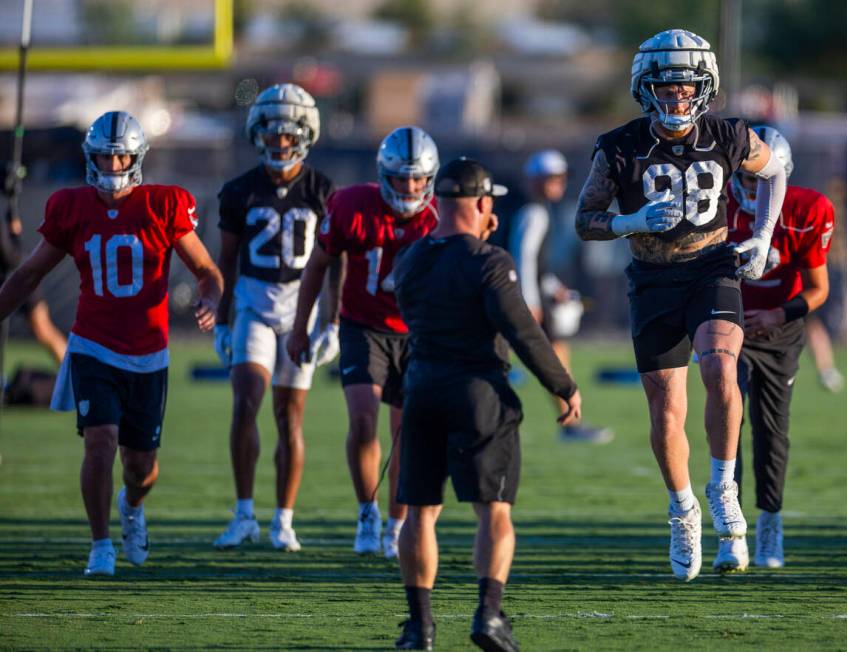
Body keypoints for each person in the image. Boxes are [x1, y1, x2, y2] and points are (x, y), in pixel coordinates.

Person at [574, 28, 787, 580]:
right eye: (665, 90)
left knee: (720, 366)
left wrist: (762, 235)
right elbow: (584, 221)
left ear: (706, 87)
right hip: (652, 279)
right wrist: (630, 222)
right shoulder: (618, 146)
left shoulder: (729, 134)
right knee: (667, 408)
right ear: (644, 90)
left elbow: (776, 168)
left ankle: (722, 485)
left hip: (712, 270)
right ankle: (682, 511)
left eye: (686, 89)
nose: (676, 99)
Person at [0, 111, 223, 576]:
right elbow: (29, 274)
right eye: (103, 153)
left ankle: (132, 506)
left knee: (141, 467)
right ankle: (100, 544)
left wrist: (212, 297)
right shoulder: (72, 206)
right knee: (99, 442)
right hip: (93, 345)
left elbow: (207, 271)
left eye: (119, 154)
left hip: (148, 353)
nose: (111, 163)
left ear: (136, 157)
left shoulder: (163, 205)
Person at [391, 158, 582, 651]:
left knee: (418, 513)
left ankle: (420, 627)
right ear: (482, 204)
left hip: (422, 389)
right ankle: (489, 616)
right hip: (479, 392)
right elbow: (522, 331)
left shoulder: (410, 259)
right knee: (494, 512)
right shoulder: (491, 262)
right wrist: (562, 385)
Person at [287, 126, 440, 558]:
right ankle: (366, 512)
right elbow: (319, 263)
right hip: (363, 327)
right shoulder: (353, 205)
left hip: (417, 333)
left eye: (417, 179)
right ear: (383, 175)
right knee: (362, 420)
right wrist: (304, 326)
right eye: (400, 178)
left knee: (407, 433)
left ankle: (396, 524)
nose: (409, 188)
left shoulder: (441, 216)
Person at [211, 84, 337, 553]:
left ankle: (283, 520)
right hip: (252, 303)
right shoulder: (239, 190)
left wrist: (333, 322)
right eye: (271, 133)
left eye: (288, 135)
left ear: (306, 135)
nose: (279, 142)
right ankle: (244, 514)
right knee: (246, 402)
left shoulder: (322, 189)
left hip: (300, 309)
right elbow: (225, 261)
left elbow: (335, 261)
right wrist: (223, 320)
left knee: (290, 417)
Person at [727, 125, 834, 568]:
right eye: (747, 177)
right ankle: (729, 525)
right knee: (726, 421)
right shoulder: (717, 202)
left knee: (771, 427)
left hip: (778, 328)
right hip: (727, 321)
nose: (752, 187)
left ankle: (770, 521)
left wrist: (777, 315)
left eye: (762, 178)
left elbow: (818, 289)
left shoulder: (810, 208)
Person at [509, 149, 613, 443]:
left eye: (560, 177)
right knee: (554, 359)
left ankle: (571, 422)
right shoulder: (533, 211)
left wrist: (554, 288)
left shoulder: (538, 209)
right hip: (521, 300)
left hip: (524, 296)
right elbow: (523, 259)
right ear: (534, 180)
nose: (558, 182)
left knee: (556, 357)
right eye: (550, 178)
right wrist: (529, 301)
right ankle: (571, 423)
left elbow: (535, 266)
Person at [0, 215, 66, 366]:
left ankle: (72, 375)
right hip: (14, 277)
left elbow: (11, 258)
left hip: (16, 280)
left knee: (42, 327)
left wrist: (13, 236)